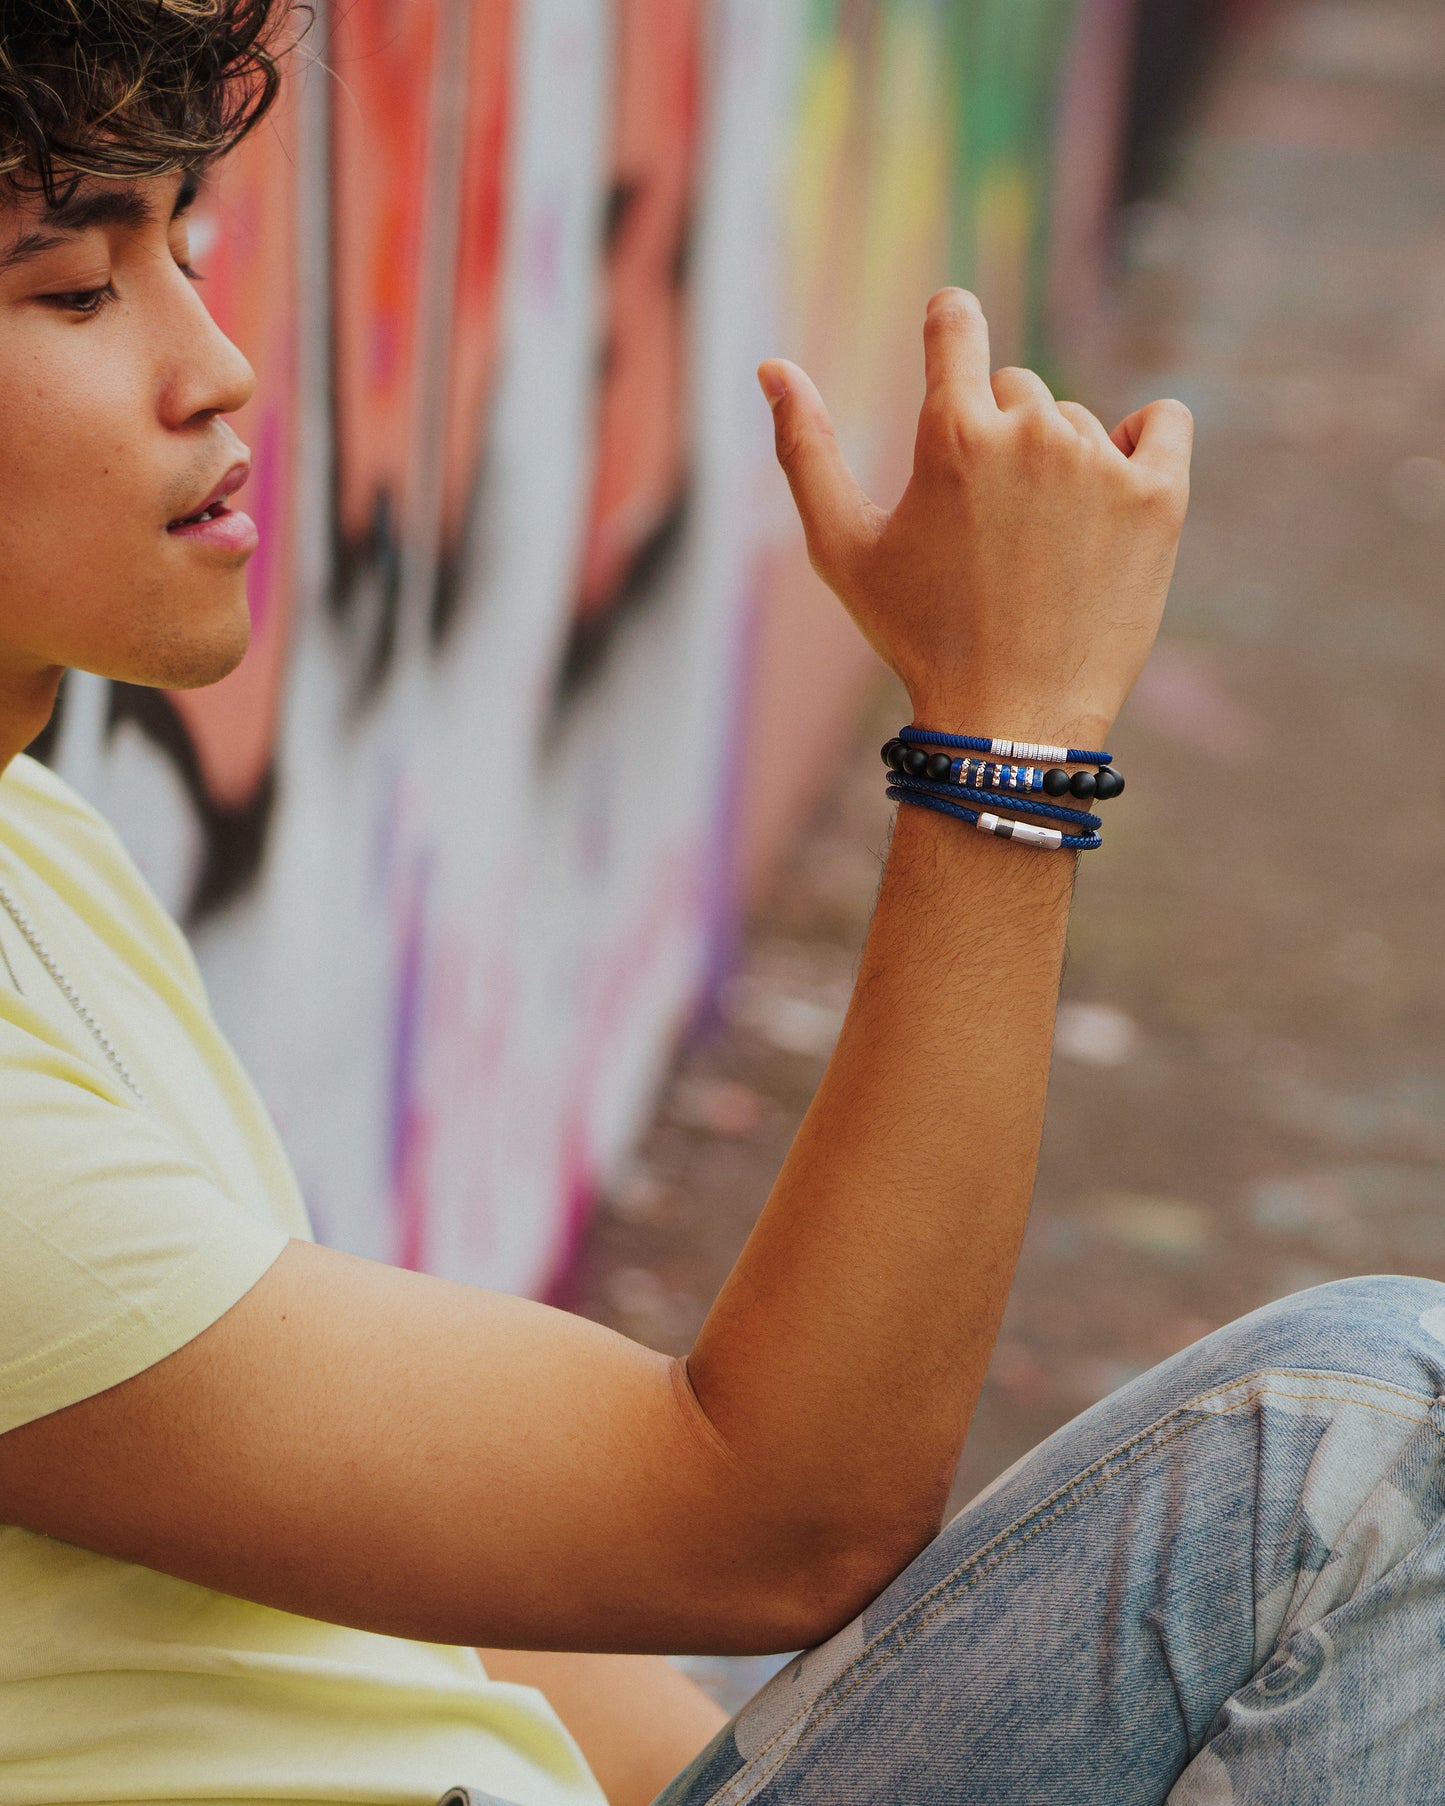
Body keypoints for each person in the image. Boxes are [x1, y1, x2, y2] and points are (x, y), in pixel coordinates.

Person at [3, 6, 1444, 1805]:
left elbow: (416, 1598)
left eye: (184, 245)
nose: (213, 363)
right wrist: (1002, 749)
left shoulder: (33, 837)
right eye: (71, 292)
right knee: (1390, 1434)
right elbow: (766, 1515)